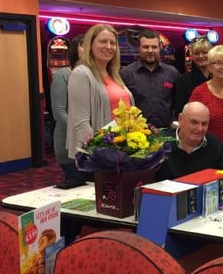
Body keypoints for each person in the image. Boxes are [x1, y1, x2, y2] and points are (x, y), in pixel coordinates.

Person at [67, 24, 133, 161]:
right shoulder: (81, 73)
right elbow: (81, 123)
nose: (108, 47)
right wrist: (98, 152)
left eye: (112, 43)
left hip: (123, 149)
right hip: (101, 154)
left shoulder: (114, 74)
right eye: (103, 41)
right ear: (90, 45)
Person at [120, 29, 180, 129]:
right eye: (146, 47)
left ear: (160, 48)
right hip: (137, 134)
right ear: (138, 48)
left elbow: (178, 103)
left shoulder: (172, 73)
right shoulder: (126, 74)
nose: (150, 51)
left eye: (154, 47)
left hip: (168, 133)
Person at [156, 101, 223, 181]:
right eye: (194, 122)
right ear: (180, 119)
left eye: (204, 124)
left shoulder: (215, 146)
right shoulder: (159, 143)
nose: (200, 129)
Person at [50, 34, 84, 184]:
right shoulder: (63, 75)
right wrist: (83, 132)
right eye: (84, 45)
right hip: (69, 142)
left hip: (91, 145)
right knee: (77, 186)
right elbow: (59, 112)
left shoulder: (97, 75)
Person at [172, 36, 213, 116]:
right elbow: (180, 111)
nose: (201, 56)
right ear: (192, 55)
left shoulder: (218, 78)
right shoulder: (182, 81)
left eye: (204, 52)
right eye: (197, 53)